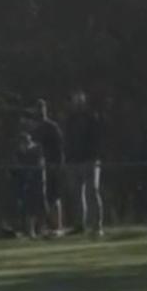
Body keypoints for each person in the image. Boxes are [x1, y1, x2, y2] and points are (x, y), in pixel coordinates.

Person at [64, 91, 104, 238]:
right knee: (77, 194)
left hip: (90, 160)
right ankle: (80, 225)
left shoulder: (92, 117)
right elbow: (67, 139)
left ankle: (97, 226)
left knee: (92, 192)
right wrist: (68, 157)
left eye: (80, 99)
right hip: (74, 161)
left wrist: (94, 156)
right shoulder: (70, 119)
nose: (77, 102)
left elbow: (97, 139)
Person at [30, 99, 64, 237]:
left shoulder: (52, 127)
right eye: (37, 108)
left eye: (42, 108)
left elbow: (59, 147)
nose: (40, 111)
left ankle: (57, 225)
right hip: (40, 167)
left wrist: (58, 164)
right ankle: (43, 226)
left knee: (54, 196)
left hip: (52, 165)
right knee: (43, 197)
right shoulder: (35, 129)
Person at [13, 130, 47, 239]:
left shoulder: (37, 149)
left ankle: (41, 229)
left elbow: (40, 163)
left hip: (38, 181)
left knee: (41, 206)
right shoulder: (19, 153)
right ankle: (31, 231)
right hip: (26, 182)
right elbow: (17, 167)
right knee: (29, 208)